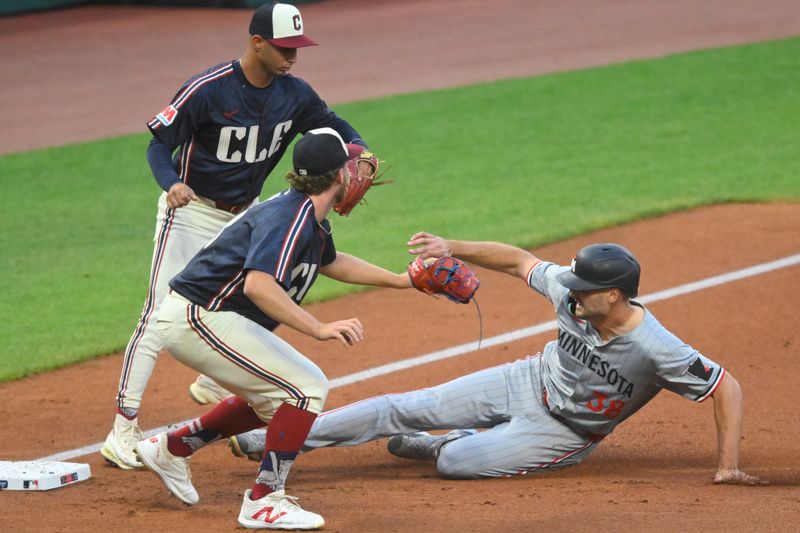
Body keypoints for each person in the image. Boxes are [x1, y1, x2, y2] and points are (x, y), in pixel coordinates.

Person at [229, 234, 766, 486]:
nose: (571, 292)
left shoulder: (656, 346)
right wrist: (451, 247)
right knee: (406, 405)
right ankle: (279, 438)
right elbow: (517, 259)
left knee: (454, 465)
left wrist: (728, 466)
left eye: (585, 289)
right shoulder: (572, 291)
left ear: (617, 296)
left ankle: (448, 443)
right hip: (526, 380)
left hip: (564, 433)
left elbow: (725, 386)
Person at [102, 2, 376, 471]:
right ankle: (122, 431)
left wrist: (362, 150)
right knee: (157, 316)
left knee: (251, 301)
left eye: (297, 47)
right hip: (189, 213)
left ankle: (216, 380)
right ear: (256, 43)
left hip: (242, 215)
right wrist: (172, 184)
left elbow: (334, 124)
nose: (293, 56)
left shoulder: (295, 94)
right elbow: (158, 144)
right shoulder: (209, 90)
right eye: (284, 47)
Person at [134, 128, 414, 529]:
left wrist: (399, 279)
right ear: (337, 176)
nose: (357, 174)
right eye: (350, 167)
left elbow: (331, 262)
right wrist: (318, 328)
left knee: (278, 401)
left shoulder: (306, 214)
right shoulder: (289, 217)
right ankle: (264, 501)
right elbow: (258, 285)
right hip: (198, 316)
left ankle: (173, 448)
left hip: (205, 316)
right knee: (305, 389)